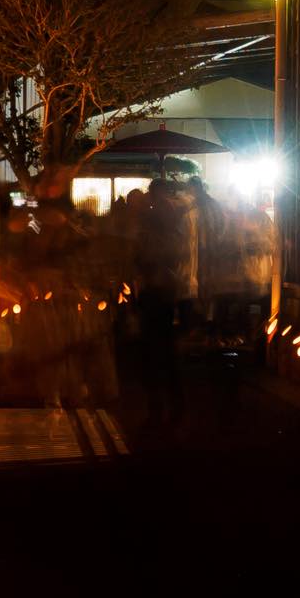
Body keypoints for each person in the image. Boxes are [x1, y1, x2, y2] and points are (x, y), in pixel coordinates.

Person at [128, 168, 202, 435]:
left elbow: (146, 258)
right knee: (163, 356)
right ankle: (168, 408)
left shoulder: (159, 223)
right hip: (164, 292)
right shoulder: (176, 222)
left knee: (156, 356)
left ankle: (162, 409)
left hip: (158, 293)